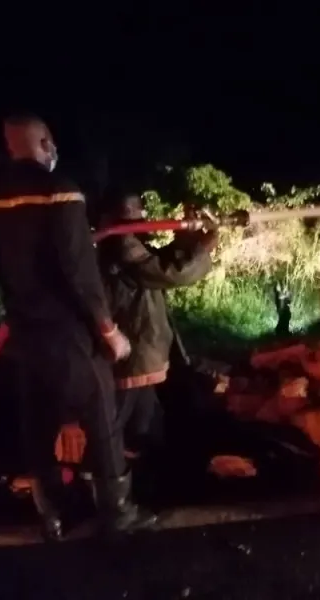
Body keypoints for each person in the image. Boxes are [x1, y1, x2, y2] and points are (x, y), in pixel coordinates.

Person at [0, 113, 157, 541]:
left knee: (39, 422)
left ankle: (54, 517)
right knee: (101, 416)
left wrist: (15, 268)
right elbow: (81, 272)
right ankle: (119, 514)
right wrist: (108, 330)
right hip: (70, 332)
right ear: (45, 143)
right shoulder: (60, 190)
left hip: (24, 332)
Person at [96, 190, 218, 462]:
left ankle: (137, 473)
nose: (144, 220)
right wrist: (202, 249)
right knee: (117, 430)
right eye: (137, 214)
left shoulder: (123, 245)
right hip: (133, 356)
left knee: (143, 427)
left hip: (140, 357)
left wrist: (185, 240)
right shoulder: (122, 245)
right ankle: (104, 477)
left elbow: (158, 263)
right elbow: (169, 272)